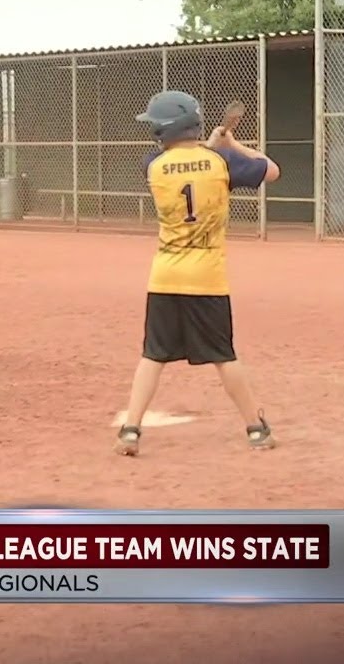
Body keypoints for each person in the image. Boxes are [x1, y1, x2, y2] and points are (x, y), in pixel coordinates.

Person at [113, 90, 282, 456]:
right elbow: (271, 170)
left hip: (165, 277)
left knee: (152, 355)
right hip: (207, 279)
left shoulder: (152, 165)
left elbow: (185, 165)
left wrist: (210, 147)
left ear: (163, 130)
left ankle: (130, 430)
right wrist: (231, 144)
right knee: (224, 356)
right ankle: (256, 429)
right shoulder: (221, 162)